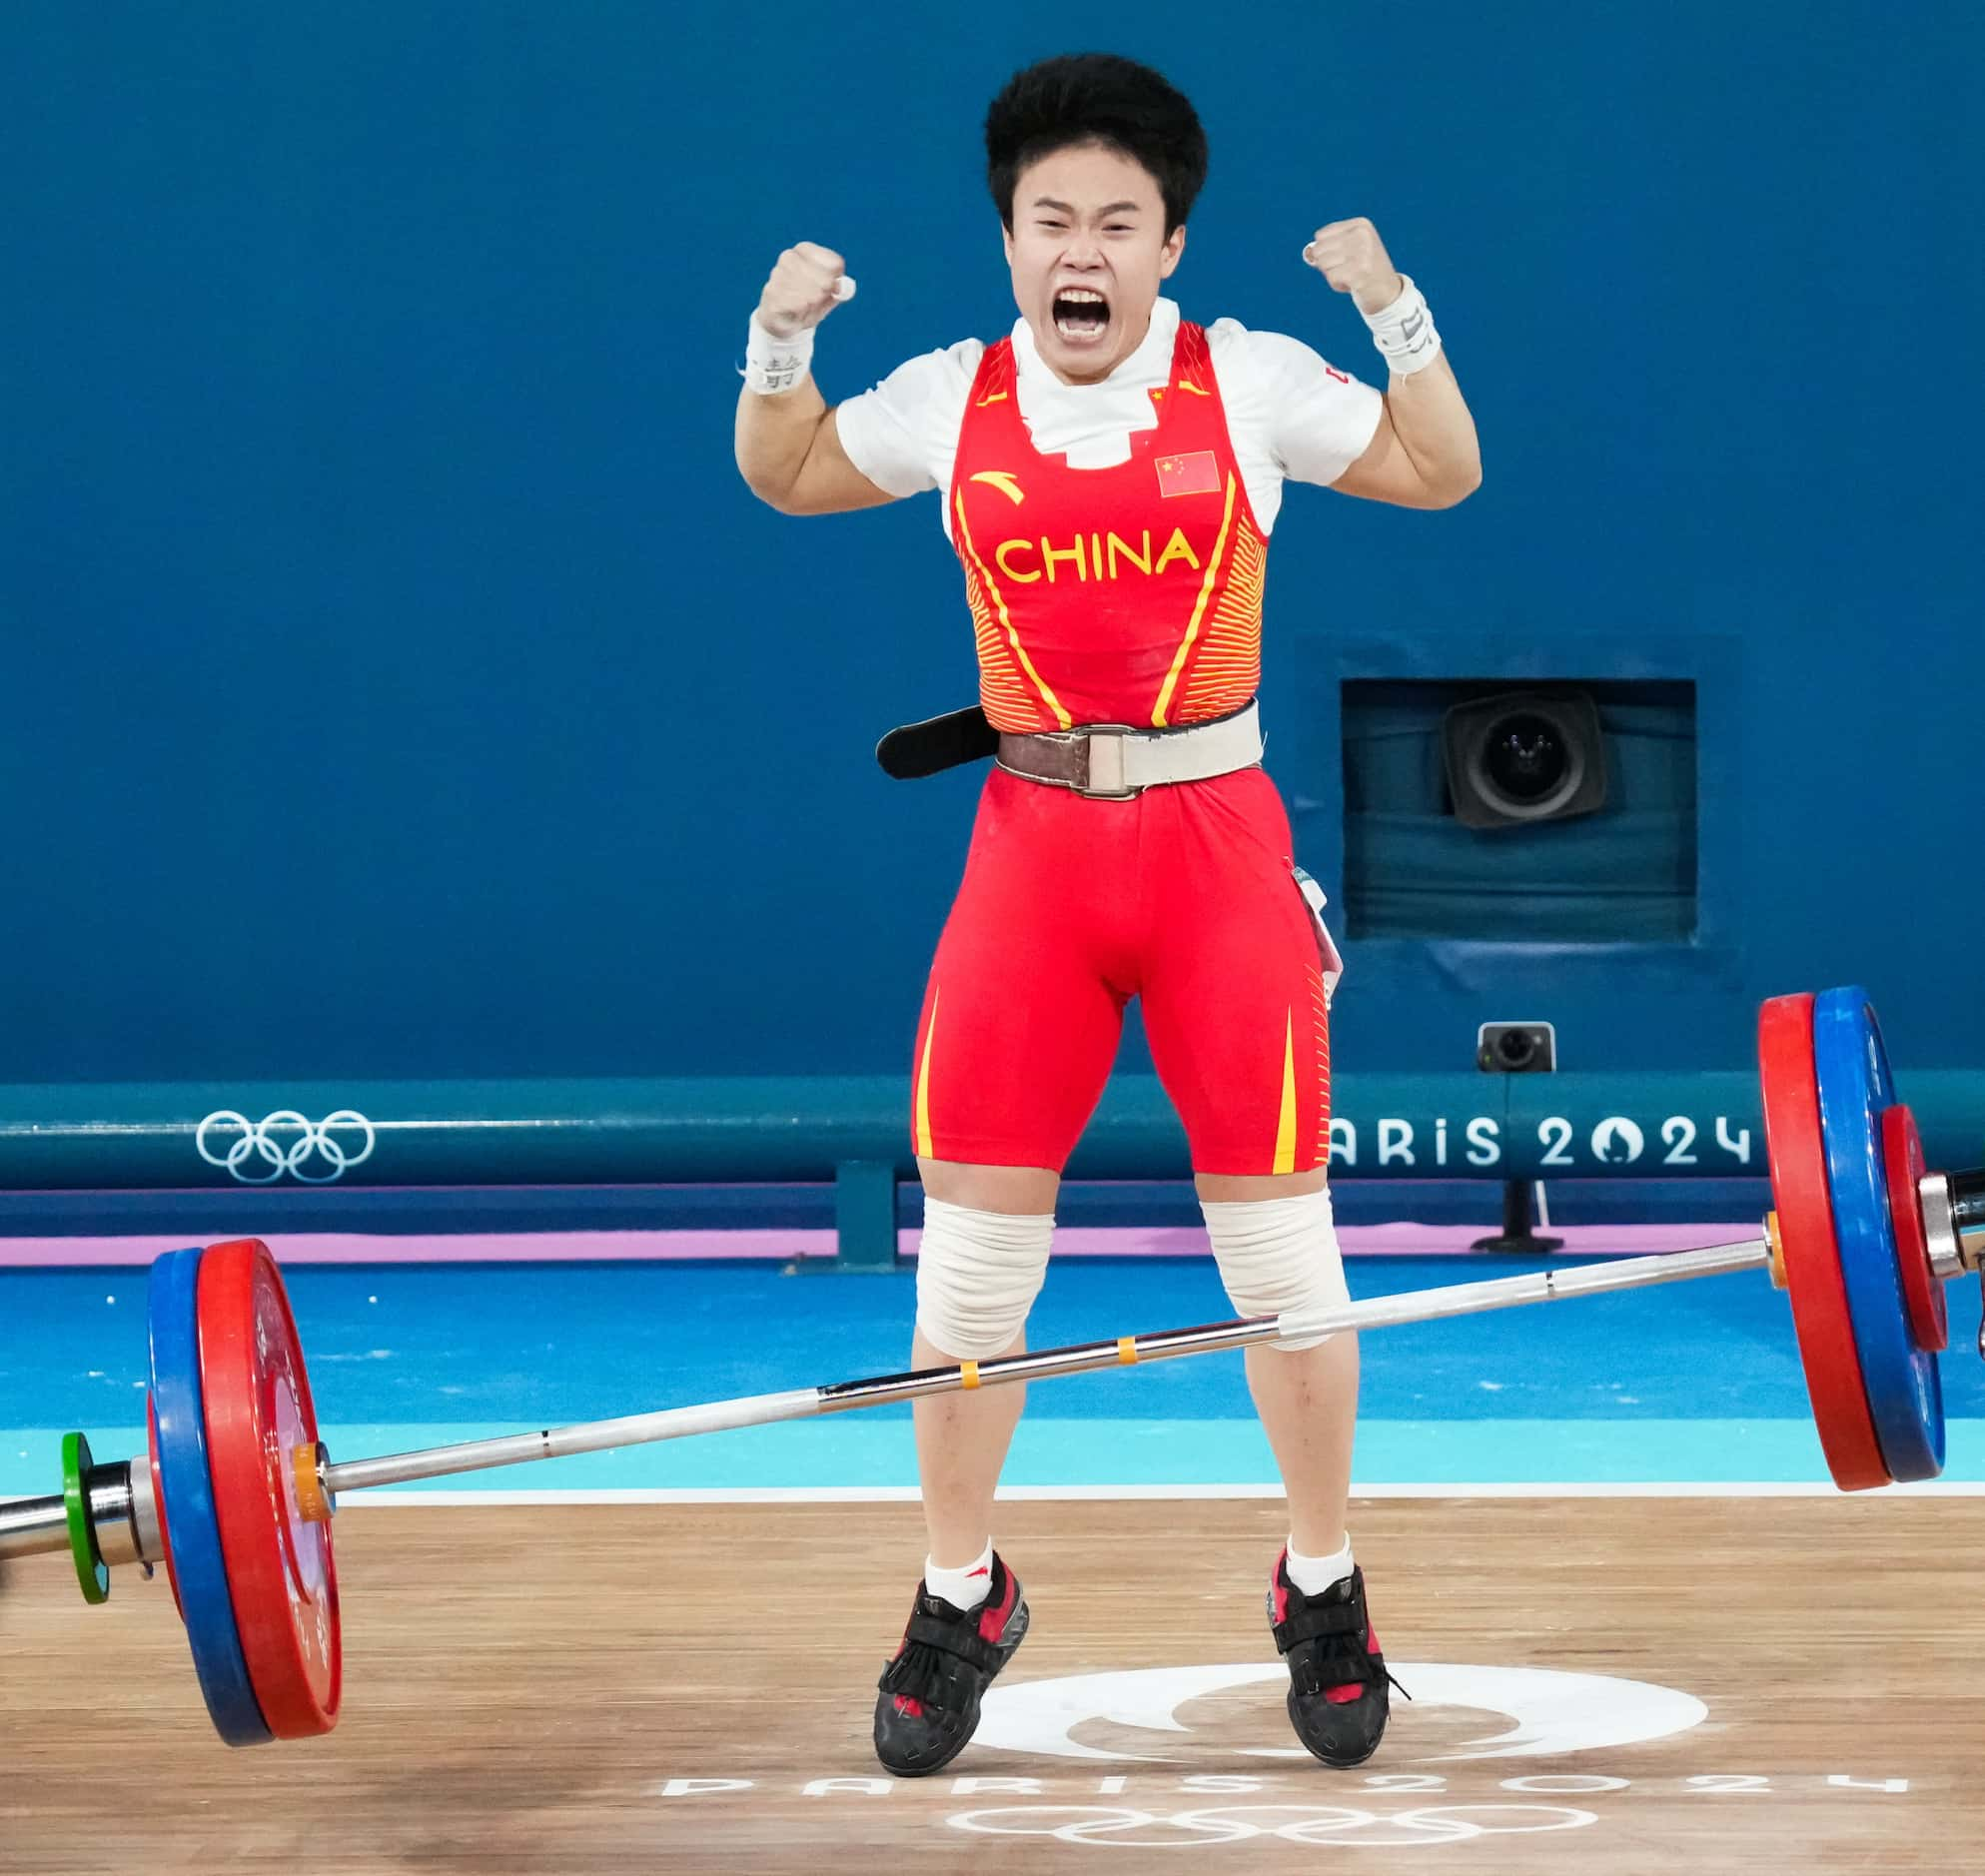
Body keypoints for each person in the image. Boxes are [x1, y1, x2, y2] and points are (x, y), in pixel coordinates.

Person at [733, 52, 1481, 1777]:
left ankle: (1323, 1580)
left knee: (1282, 1261)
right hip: (1030, 857)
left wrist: (1392, 304)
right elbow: (783, 471)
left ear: (1168, 244)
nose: (1082, 250)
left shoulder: (1252, 380)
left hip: (1214, 847)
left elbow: (1439, 469)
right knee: (977, 1269)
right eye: (1049, 219)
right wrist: (781, 339)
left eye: (1117, 222)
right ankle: (957, 1589)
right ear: (1009, 242)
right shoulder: (949, 395)